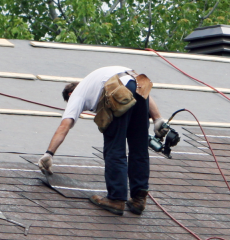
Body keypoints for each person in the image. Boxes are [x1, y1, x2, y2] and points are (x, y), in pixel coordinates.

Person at [40, 66, 168, 215]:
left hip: (119, 90)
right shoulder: (95, 80)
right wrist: (157, 119)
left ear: (70, 94)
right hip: (138, 83)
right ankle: (139, 199)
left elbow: (65, 125)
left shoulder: (77, 94)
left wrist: (49, 154)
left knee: (115, 147)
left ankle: (116, 199)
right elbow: (138, 89)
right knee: (139, 146)